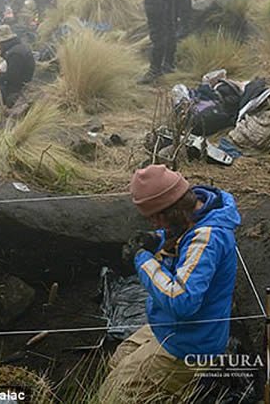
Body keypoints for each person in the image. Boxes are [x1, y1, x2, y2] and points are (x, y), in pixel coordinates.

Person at [99, 165, 240, 402]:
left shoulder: (207, 239)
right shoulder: (197, 214)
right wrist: (158, 240)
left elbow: (182, 300)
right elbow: (184, 237)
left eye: (157, 217)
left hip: (190, 344)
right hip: (172, 328)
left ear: (172, 209)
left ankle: (182, 390)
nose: (154, 222)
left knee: (111, 396)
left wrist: (142, 259)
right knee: (116, 361)